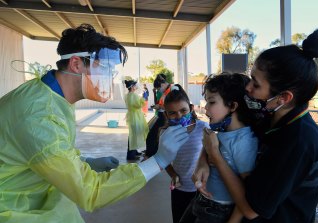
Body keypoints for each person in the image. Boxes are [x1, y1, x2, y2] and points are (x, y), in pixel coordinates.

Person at [0, 24, 189, 223]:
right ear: (76, 64)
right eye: (105, 68)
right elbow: (91, 192)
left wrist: (87, 162)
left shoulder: (51, 96)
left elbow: (48, 152)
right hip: (13, 209)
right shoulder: (39, 116)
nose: (110, 77)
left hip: (38, 196)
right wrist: (158, 161)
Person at [193, 29, 318, 222]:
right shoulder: (266, 114)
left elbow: (250, 209)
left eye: (255, 85)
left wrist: (214, 154)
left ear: (284, 98)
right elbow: (220, 137)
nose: (247, 88)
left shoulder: (298, 140)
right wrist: (203, 159)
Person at [180, 73, 258, 223]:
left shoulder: (244, 142)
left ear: (233, 106)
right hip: (201, 200)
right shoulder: (223, 131)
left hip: (218, 211)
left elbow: (247, 196)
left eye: (212, 102)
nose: (206, 107)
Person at [161, 84, 209, 223]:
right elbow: (164, 161)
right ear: (166, 115)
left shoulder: (203, 128)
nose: (179, 116)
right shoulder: (165, 134)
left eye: (183, 110)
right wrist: (173, 175)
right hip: (179, 189)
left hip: (201, 190)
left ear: (191, 108)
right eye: (173, 113)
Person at [145, 73, 173, 158]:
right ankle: (151, 153)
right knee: (152, 135)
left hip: (166, 117)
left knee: (153, 136)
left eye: (158, 88)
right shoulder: (166, 91)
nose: (158, 90)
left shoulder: (173, 89)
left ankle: (151, 154)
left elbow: (173, 106)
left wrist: (160, 106)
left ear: (162, 84)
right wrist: (159, 106)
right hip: (162, 115)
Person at [124, 79, 149, 160]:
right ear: (132, 87)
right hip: (135, 117)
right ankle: (131, 155)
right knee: (134, 135)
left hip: (132, 116)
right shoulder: (133, 95)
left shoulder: (128, 95)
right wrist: (143, 98)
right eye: (134, 85)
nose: (136, 86)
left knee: (133, 135)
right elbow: (138, 105)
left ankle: (134, 151)